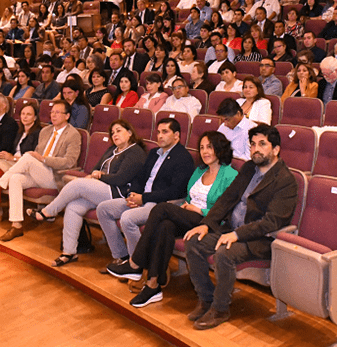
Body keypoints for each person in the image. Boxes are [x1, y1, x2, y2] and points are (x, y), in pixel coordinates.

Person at [184, 124, 297, 329]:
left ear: (276, 149)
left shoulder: (285, 180)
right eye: (252, 144)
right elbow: (228, 198)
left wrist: (237, 234)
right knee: (194, 241)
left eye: (262, 144)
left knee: (224, 253)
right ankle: (206, 299)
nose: (256, 149)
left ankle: (220, 309)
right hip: (231, 230)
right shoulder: (248, 168)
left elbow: (272, 222)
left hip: (260, 239)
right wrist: (207, 224)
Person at [107, 131, 237, 307]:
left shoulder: (230, 175)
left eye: (209, 147)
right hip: (189, 216)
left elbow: (225, 209)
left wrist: (199, 209)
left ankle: (135, 263)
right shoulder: (200, 171)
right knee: (165, 227)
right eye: (201, 148)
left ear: (220, 149)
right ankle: (153, 285)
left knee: (161, 208)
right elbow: (188, 197)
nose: (205, 151)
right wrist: (185, 207)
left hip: (209, 222)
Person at [29, 120, 148, 267]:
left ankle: (48, 212)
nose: (115, 135)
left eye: (119, 131)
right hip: (101, 189)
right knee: (73, 206)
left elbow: (120, 179)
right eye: (112, 133)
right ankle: (69, 252)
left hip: (119, 193)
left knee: (78, 184)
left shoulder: (135, 151)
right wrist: (95, 175)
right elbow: (95, 168)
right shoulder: (112, 149)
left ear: (129, 133)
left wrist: (99, 176)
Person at [0, 100, 81, 239]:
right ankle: (16, 225)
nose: (53, 115)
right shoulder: (46, 131)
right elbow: (36, 154)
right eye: (52, 112)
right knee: (15, 178)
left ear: (67, 116)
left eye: (58, 112)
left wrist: (43, 159)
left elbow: (69, 162)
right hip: (38, 172)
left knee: (28, 157)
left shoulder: (73, 134)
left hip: (55, 176)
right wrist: (38, 159)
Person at [96, 118, 194, 272]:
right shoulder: (154, 153)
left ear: (176, 135)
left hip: (160, 204)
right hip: (141, 198)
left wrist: (143, 198)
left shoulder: (183, 157)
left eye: (165, 132)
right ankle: (122, 256)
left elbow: (175, 191)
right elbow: (140, 178)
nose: (160, 136)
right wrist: (132, 195)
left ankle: (137, 264)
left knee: (127, 218)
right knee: (103, 209)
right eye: (158, 132)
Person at [0, 101, 42, 223]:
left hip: (23, 166)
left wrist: (13, 158)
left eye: (29, 114)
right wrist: (5, 155)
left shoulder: (38, 133)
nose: (25, 117)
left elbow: (33, 157)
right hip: (11, 162)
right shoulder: (20, 131)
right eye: (23, 114)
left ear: (35, 117)